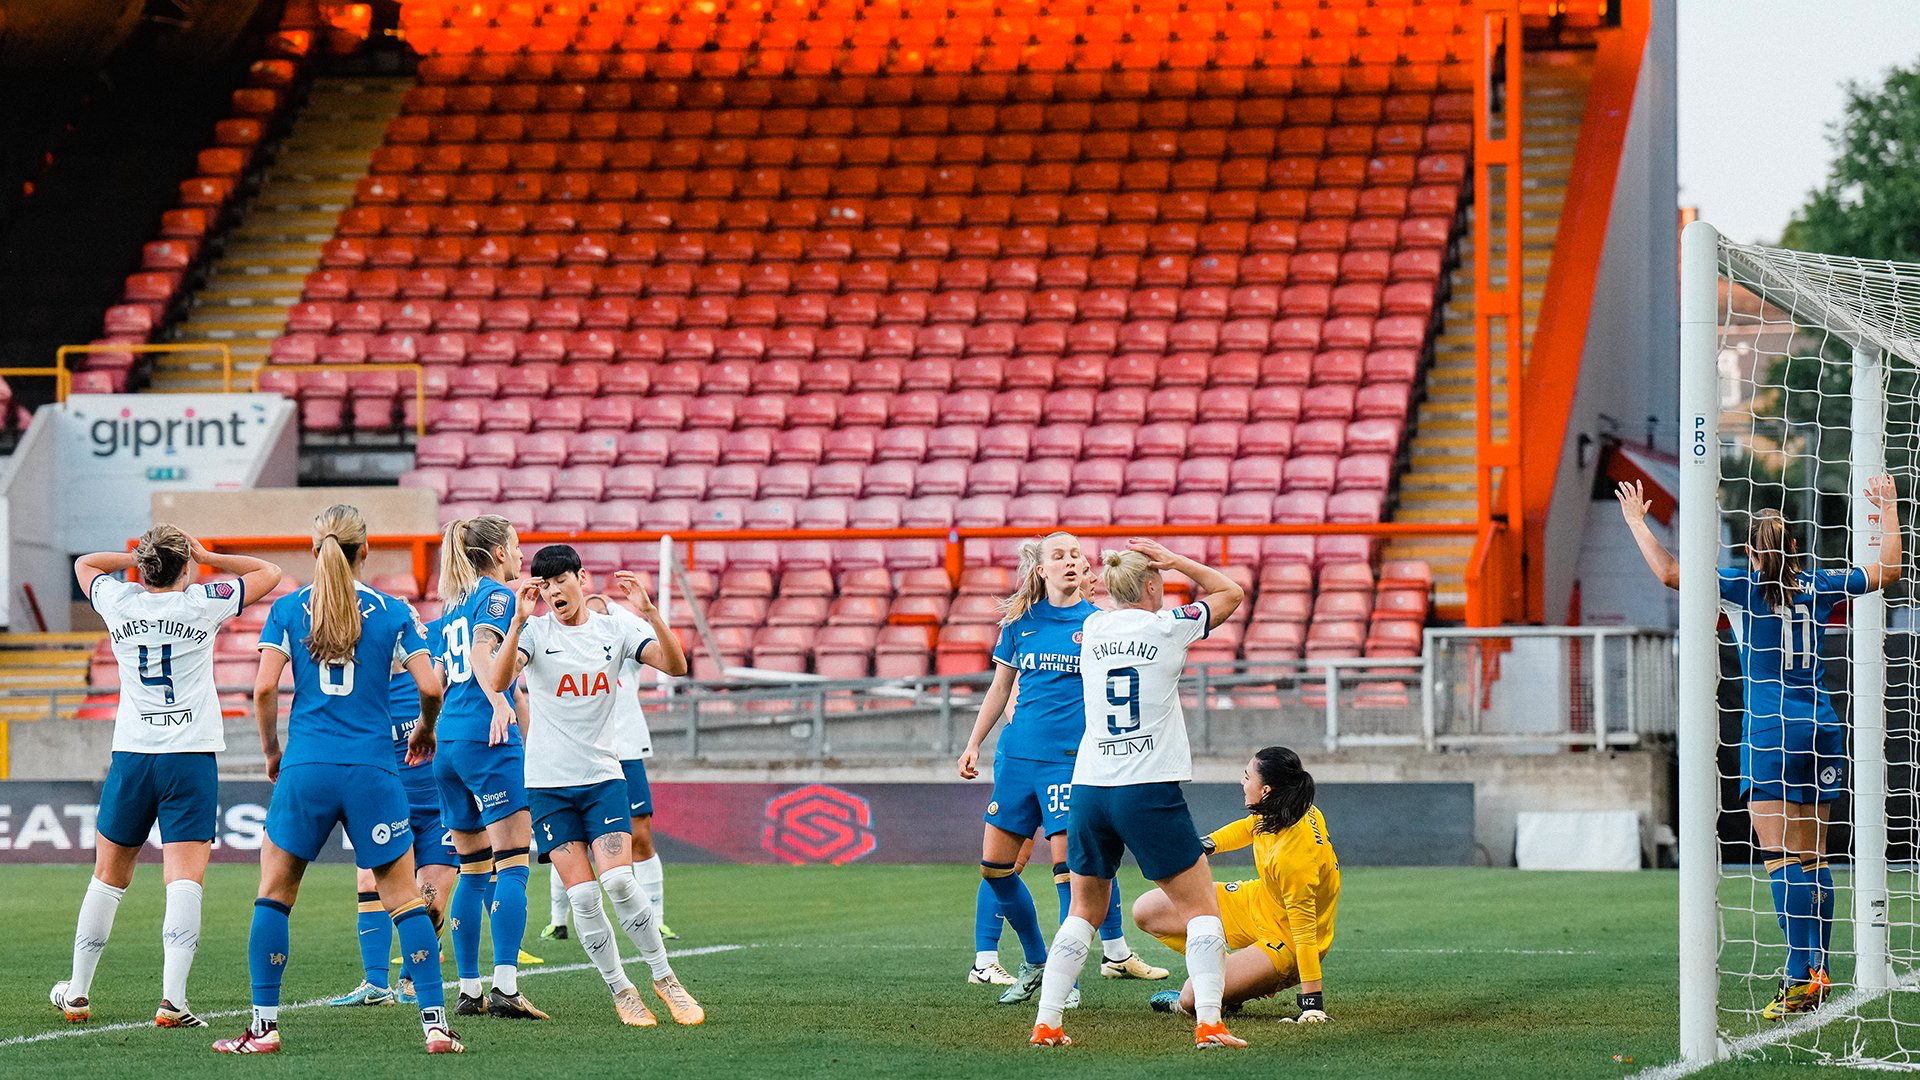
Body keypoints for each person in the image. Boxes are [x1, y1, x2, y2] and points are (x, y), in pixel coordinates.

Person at [1617, 476, 1902, 1019]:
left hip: (1770, 731)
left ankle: (1799, 974)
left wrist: (1636, 521)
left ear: (1751, 551)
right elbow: (1889, 570)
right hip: (1822, 726)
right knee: (1814, 857)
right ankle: (1816, 969)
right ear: (1794, 545)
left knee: (1778, 859)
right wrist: (1887, 506)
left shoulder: (1741, 585)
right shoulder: (1817, 583)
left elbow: (1671, 573)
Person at [214, 505, 459, 1055]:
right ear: (364, 550)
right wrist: (424, 730)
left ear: (315, 548)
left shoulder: (288, 609)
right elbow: (433, 687)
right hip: (374, 768)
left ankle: (263, 1029)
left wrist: (273, 752)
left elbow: (261, 691)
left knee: (275, 893)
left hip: (307, 767)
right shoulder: (394, 611)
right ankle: (436, 1025)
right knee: (401, 897)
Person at [53, 528, 281, 1027]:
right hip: (190, 755)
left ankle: (77, 992)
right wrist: (210, 555)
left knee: (108, 879)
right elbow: (270, 573)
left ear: (144, 567)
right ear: (186, 568)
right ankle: (173, 1001)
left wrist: (134, 556)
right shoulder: (202, 603)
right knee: (184, 881)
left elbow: (85, 562)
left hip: (133, 754)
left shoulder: (118, 600)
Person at [1029, 538, 1247, 1050]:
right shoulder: (1169, 626)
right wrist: (1176, 560)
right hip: (1145, 787)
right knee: (1201, 911)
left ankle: (1048, 1022)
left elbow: (1093, 600)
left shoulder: (1092, 627)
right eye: (1161, 582)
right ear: (1152, 586)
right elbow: (1230, 592)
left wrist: (1094, 579)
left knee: (1083, 909)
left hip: (1089, 787)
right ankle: (1211, 1023)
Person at [488, 546, 704, 1027]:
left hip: (604, 776)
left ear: (580, 579)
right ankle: (622, 990)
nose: (552, 592)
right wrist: (518, 623)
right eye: (543, 586)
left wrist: (650, 613)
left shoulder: (618, 627)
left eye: (559, 581)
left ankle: (664, 977)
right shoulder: (536, 633)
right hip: (547, 785)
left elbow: (676, 666)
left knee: (620, 882)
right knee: (584, 898)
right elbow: (500, 679)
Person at [957, 532, 1164, 1003]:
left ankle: (1065, 979)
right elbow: (999, 689)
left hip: (1070, 766)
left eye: (1076, 555)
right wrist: (974, 744)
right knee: (995, 870)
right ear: (1042, 570)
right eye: (1059, 556)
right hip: (1015, 761)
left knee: (1070, 876)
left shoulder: (1099, 624)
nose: (1070, 561)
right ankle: (1035, 960)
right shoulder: (1019, 623)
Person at [430, 515, 544, 1019]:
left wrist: (428, 729)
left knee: (472, 870)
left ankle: (470, 990)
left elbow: (434, 678)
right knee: (513, 862)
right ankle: (506, 986)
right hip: (487, 738)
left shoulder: (450, 604)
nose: (522, 556)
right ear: (498, 553)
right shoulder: (494, 595)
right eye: (517, 547)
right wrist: (497, 699)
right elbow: (482, 651)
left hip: (449, 743)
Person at [1138, 747, 1338, 1023]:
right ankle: (1227, 979)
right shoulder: (1287, 807)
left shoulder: (1294, 860)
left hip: (1287, 940)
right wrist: (1201, 847)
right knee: (1147, 910)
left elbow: (1304, 934)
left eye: (1247, 777)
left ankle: (1229, 986)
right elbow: (1248, 827)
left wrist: (1311, 1005)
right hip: (1258, 901)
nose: (1242, 782)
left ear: (1266, 789)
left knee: (1190, 999)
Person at [329, 661, 461, 1008]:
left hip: (439, 810)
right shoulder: (361, 685)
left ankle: (411, 977)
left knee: (429, 902)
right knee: (369, 885)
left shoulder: (433, 677)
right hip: (384, 806)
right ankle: (375, 984)